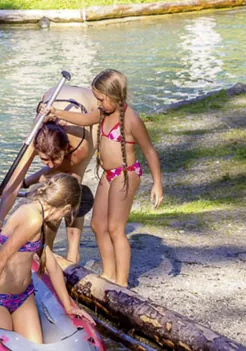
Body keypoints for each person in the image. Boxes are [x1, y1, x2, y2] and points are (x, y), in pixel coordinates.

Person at [46, 69, 164, 288]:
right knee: (98, 225)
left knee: (115, 229)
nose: (98, 104)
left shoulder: (131, 120)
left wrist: (157, 183)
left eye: (100, 99)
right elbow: (81, 119)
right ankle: (109, 273)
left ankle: (122, 282)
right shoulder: (102, 114)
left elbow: (149, 151)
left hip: (126, 174)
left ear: (114, 96)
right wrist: (56, 113)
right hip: (109, 175)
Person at [0, 174, 96, 342]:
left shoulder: (38, 213)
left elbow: (52, 267)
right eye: (67, 215)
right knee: (7, 346)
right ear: (67, 208)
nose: (64, 218)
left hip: (24, 296)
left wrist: (69, 307)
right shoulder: (33, 219)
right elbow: (0, 259)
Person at [0, 85, 98, 263]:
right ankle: (46, 251)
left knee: (72, 189)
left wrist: (34, 181)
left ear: (65, 148)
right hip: (54, 97)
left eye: (56, 159)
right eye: (44, 160)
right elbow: (13, 183)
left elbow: (71, 184)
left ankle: (73, 255)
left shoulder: (79, 146)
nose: (50, 165)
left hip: (87, 103)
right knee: (53, 188)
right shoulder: (34, 139)